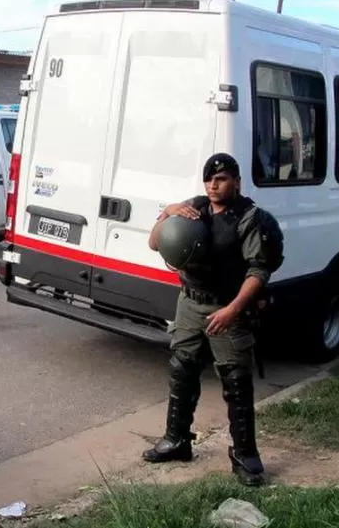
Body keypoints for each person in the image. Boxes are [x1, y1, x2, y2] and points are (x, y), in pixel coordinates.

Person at [144, 153, 284, 487]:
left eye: (220, 179)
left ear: (237, 181)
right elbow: (154, 243)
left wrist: (233, 310)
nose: (213, 185)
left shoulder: (251, 218)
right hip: (191, 303)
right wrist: (168, 212)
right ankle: (177, 440)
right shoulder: (195, 208)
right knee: (182, 369)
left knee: (236, 382)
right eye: (209, 180)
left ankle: (245, 455)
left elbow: (258, 271)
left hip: (228, 308)